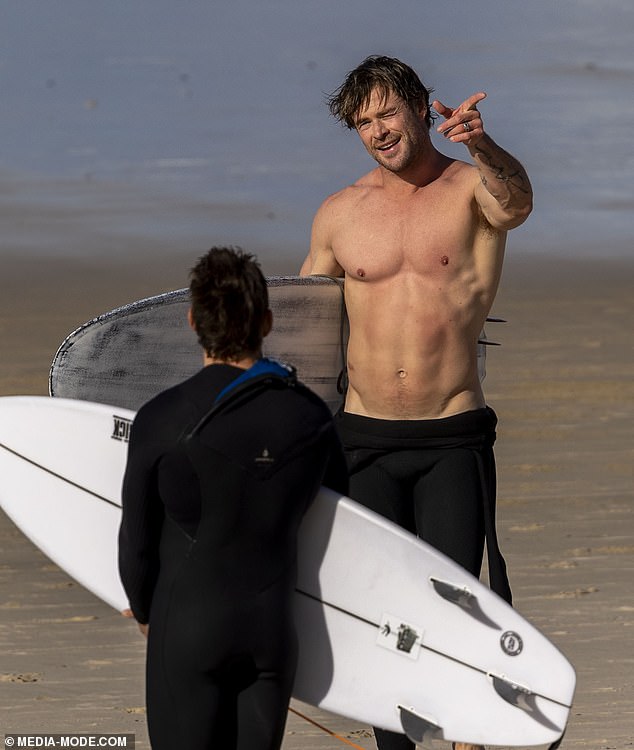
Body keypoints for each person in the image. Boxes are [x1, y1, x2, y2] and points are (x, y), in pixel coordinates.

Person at [300, 55, 533, 750]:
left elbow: (517, 204)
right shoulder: (340, 213)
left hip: (449, 436)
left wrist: (482, 145)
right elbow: (303, 331)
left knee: (455, 608)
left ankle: (462, 730)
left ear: (419, 108)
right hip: (362, 438)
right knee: (379, 617)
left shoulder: (470, 192)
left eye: (387, 113)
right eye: (362, 121)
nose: (377, 131)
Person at [118, 247, 348, 750]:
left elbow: (136, 543)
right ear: (265, 320)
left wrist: (143, 610)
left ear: (192, 319)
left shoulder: (161, 419)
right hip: (271, 633)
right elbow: (340, 522)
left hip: (188, 628)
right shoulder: (311, 418)